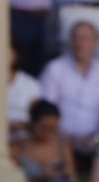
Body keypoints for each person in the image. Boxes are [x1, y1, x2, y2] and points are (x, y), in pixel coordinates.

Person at [38, 19, 99, 166]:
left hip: (95, 138)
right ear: (70, 42)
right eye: (76, 38)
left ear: (95, 42)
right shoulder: (55, 68)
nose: (80, 43)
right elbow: (47, 109)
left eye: (85, 38)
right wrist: (60, 133)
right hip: (61, 136)